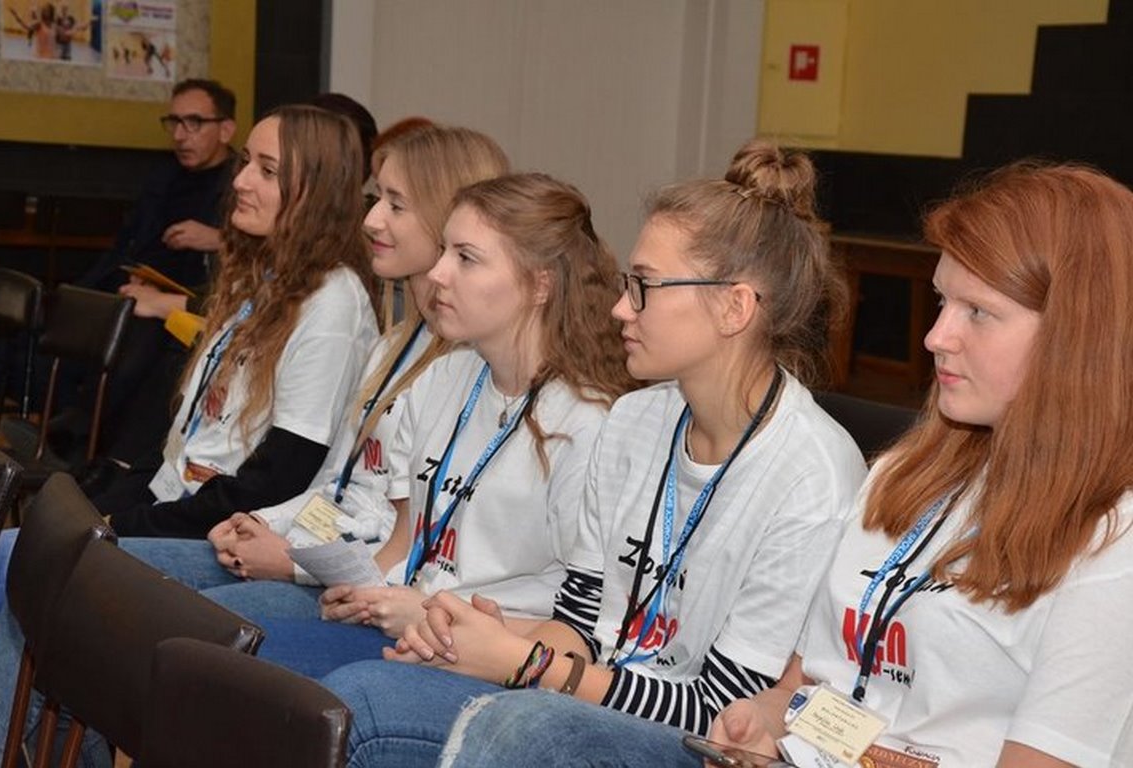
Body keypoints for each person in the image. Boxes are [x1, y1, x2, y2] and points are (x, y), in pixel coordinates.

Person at [438, 162, 1133, 768]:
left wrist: (531, 663)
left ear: (1076, 334)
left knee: (525, 732)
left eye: (977, 312)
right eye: (943, 301)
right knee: (497, 721)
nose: (934, 336)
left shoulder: (1112, 544)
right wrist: (764, 718)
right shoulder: (904, 476)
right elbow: (805, 682)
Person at [310, 140, 868, 768]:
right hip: (586, 696)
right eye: (629, 283)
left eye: (645, 286)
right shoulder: (635, 420)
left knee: (520, 729)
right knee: (365, 696)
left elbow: (722, 712)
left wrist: (525, 662)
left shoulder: (810, 472)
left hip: (689, 743)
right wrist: (478, 638)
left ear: (734, 307)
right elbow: (579, 623)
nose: (620, 307)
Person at [0, 104, 380, 764]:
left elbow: (279, 477)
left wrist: (129, 522)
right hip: (182, 506)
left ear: (316, 192)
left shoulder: (330, 301)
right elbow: (190, 441)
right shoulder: (266, 278)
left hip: (224, 532)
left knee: (40, 574)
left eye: (267, 170)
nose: (240, 181)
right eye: (246, 162)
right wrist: (124, 503)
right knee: (13, 567)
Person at [232, 171, 637, 678]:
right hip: (410, 624)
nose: (438, 273)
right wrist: (370, 592)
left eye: (466, 258)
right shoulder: (442, 376)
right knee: (223, 638)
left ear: (540, 285)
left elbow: (586, 629)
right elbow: (405, 546)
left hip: (490, 659)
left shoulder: (588, 424)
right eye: (444, 251)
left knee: (251, 668)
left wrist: (425, 615)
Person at [119, 124, 511, 626]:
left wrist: (293, 559)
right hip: (325, 557)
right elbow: (338, 484)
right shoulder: (395, 343)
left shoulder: (467, 365)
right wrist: (260, 523)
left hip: (376, 592)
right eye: (377, 199)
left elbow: (414, 538)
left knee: (158, 609)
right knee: (85, 568)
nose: (371, 220)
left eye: (395, 204)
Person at [0, 79, 239, 466]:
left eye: (194, 123)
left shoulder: (238, 186)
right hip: (126, 286)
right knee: (24, 342)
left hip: (180, 305)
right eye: (174, 122)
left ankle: (76, 443)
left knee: (131, 344)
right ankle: (61, 440)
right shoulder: (163, 175)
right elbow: (128, 243)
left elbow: (259, 259)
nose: (179, 135)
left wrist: (217, 238)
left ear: (226, 130)